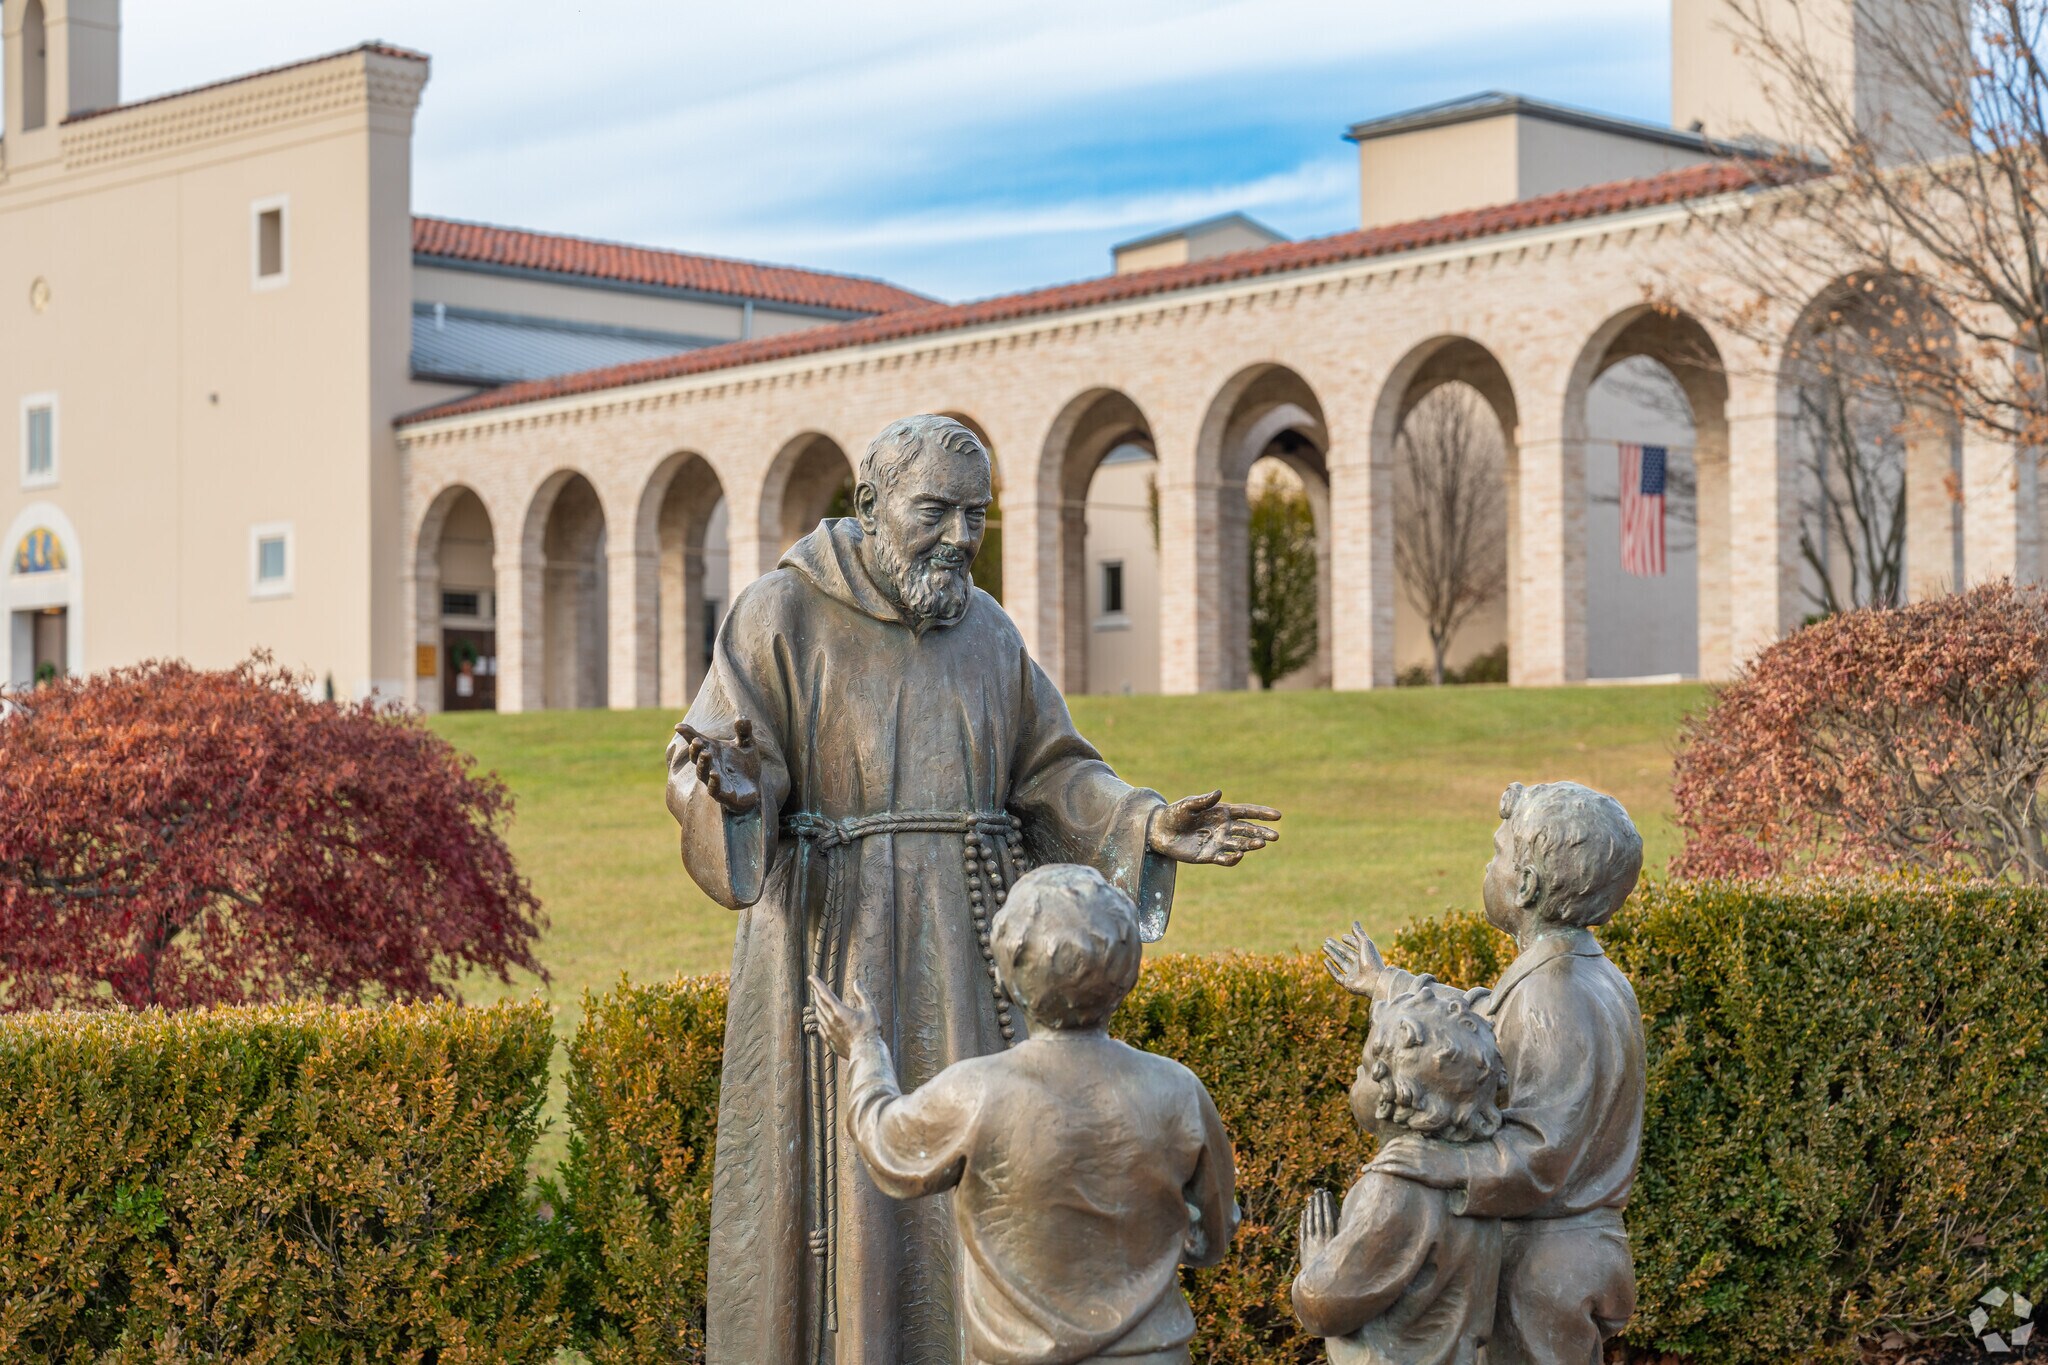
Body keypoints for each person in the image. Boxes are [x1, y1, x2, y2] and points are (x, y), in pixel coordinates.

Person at [666, 415, 1280, 1364]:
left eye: (976, 516)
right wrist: (735, 796)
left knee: (978, 1155)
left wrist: (1144, 822)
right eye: (935, 511)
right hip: (836, 941)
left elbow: (1055, 770)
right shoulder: (778, 615)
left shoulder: (989, 631)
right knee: (849, 1188)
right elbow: (708, 757)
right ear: (870, 506)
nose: (959, 536)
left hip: (971, 945)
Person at [809, 864, 1237, 1365]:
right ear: (1128, 976)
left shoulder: (976, 1091)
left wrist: (865, 1049)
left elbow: (886, 1145)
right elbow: (1212, 1236)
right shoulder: (1178, 1090)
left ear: (1006, 977)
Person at [1322, 781, 1646, 1365]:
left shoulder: (1554, 995)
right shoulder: (1582, 973)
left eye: (1497, 854)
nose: (1487, 866)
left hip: (1543, 1269)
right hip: (1571, 1251)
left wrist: (1438, 1163)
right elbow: (1481, 1021)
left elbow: (1541, 1154)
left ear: (1525, 886)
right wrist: (1388, 984)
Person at [1293, 974, 1506, 1365]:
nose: (1356, 1077)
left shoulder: (1391, 1189)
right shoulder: (1477, 1182)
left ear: (1394, 1095)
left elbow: (1322, 1304)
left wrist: (1316, 1254)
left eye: (1363, 1069)